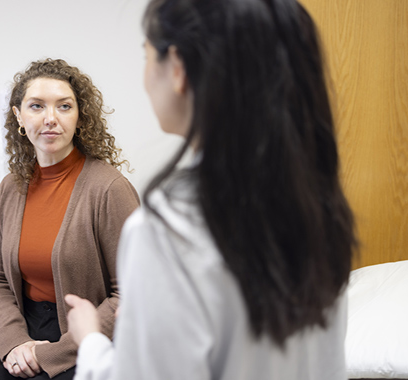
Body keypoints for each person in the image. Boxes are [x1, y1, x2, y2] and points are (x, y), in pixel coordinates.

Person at [65, 0, 357, 379]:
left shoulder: (167, 229)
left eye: (147, 55)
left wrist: (90, 339)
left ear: (178, 69)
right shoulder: (318, 206)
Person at [0, 59, 140, 380]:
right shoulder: (11, 188)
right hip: (24, 323)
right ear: (18, 117)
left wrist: (47, 354)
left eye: (64, 106)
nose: (50, 119)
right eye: (36, 106)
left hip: (87, 332)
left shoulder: (109, 189)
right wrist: (14, 343)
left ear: (80, 117)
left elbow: (131, 293)